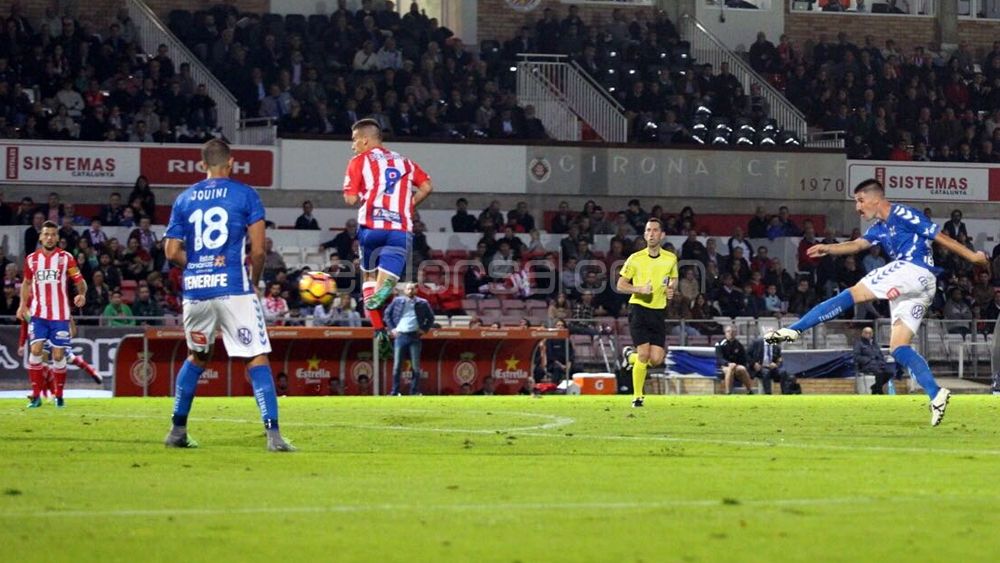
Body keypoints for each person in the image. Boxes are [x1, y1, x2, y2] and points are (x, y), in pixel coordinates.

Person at [766, 179, 990, 426]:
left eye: (860, 201)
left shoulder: (901, 213)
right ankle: (936, 394)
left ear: (875, 198)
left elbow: (939, 236)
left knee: (853, 293)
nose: (858, 208)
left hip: (912, 270)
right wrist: (828, 248)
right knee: (898, 347)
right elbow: (857, 244)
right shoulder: (879, 227)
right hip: (920, 286)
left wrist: (973, 256)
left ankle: (794, 330)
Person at [162, 139, 294, 451]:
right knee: (255, 356)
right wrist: (256, 281)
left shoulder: (184, 198)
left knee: (198, 356)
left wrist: (197, 265)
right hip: (234, 287)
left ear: (201, 164)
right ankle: (273, 436)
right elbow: (259, 250)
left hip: (196, 290)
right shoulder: (245, 194)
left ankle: (177, 430)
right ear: (231, 162)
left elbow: (170, 251)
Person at [342, 118, 433, 357]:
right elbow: (427, 186)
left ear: (365, 140)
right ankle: (386, 289)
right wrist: (408, 204)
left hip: (371, 227)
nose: (353, 146)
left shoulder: (358, 161)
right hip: (399, 229)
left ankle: (379, 329)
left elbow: (350, 199)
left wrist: (362, 192)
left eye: (354, 141)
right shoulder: (405, 162)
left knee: (368, 280)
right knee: (387, 279)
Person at [16, 221, 88, 408]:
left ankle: (59, 395)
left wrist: (82, 294)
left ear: (57, 237)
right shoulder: (31, 259)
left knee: (57, 356)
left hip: (60, 315)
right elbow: (26, 283)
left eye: (53, 234)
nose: (49, 237)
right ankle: (36, 395)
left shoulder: (66, 258)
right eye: (46, 234)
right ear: (41, 237)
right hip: (39, 314)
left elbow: (79, 281)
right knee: (36, 350)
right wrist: (22, 305)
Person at [616, 218, 678, 407]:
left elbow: (673, 280)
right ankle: (637, 397)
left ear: (662, 235)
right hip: (639, 310)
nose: (651, 234)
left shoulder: (670, 258)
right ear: (644, 235)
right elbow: (620, 285)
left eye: (655, 230)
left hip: (658, 312)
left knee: (656, 359)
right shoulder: (635, 258)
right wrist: (640, 289)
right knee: (644, 354)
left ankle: (629, 357)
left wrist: (671, 290)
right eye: (648, 230)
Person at [384, 282, 435, 395]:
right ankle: (395, 391)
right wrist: (392, 328)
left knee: (416, 366)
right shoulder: (397, 301)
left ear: (416, 290)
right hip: (401, 335)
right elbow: (387, 314)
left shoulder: (422, 303)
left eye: (412, 289)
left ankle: (414, 391)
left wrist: (424, 329)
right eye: (408, 289)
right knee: (397, 366)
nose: (410, 291)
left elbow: (431, 318)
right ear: (404, 290)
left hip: (414, 336)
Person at [854, 326, 895, 394]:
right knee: (879, 372)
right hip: (867, 365)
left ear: (872, 334)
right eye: (866, 333)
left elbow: (880, 355)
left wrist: (882, 362)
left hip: (878, 364)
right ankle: (879, 391)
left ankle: (874, 387)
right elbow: (856, 356)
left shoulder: (874, 344)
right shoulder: (859, 344)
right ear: (862, 334)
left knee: (891, 372)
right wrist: (869, 360)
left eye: (870, 333)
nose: (868, 334)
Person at [716, 325, 754, 394]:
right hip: (723, 366)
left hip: (735, 365)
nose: (730, 333)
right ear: (725, 333)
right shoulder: (719, 344)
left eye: (733, 332)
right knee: (729, 369)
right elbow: (719, 358)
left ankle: (749, 390)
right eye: (728, 331)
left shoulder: (739, 345)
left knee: (742, 369)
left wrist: (738, 365)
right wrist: (728, 364)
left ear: (735, 333)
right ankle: (728, 392)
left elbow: (743, 359)